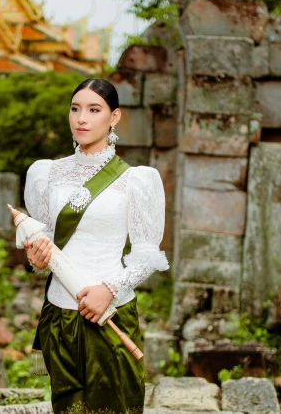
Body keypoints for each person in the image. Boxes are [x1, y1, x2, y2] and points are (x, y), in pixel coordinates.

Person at [23, 78, 169, 414]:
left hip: (109, 312)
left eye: (93, 109)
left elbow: (147, 256)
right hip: (59, 313)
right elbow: (44, 248)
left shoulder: (135, 180)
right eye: (75, 109)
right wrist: (35, 259)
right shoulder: (48, 174)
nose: (81, 119)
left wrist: (108, 289)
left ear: (114, 117)